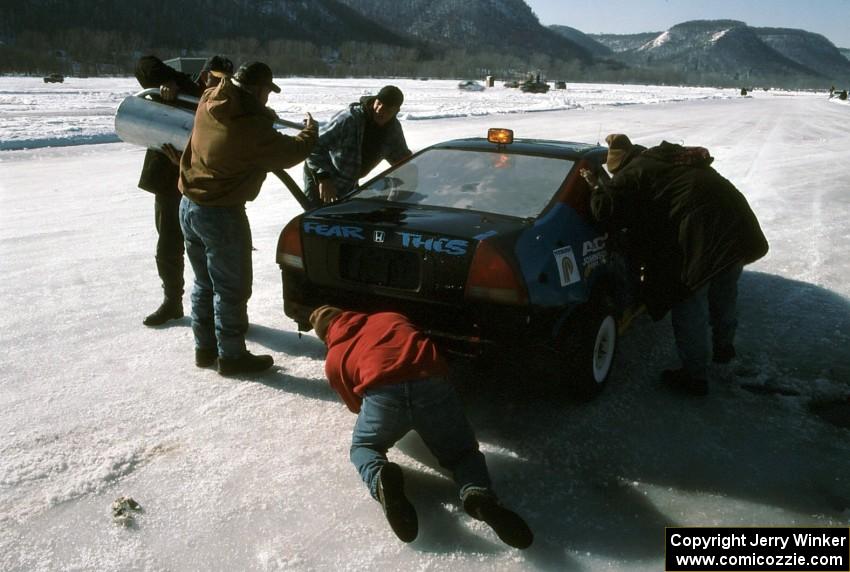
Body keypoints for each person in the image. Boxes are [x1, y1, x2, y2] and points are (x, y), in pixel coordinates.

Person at [309, 305, 533, 548]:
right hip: (431, 382)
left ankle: (380, 479)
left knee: (364, 445)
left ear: (325, 336)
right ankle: (480, 496)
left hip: (383, 396)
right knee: (461, 452)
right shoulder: (389, 317)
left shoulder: (334, 358)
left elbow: (356, 406)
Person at [581, 134, 768, 396]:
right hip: (737, 229)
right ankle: (724, 350)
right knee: (723, 290)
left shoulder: (635, 170)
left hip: (704, 235)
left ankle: (694, 377)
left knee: (687, 299)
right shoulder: (665, 162)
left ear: (620, 164)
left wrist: (599, 188)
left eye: (615, 173)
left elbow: (604, 210)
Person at [178, 62, 317, 375]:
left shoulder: (212, 97)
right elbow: (290, 151)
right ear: (256, 90)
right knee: (231, 288)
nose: (269, 98)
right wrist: (311, 131)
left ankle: (205, 349)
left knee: (204, 283)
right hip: (220, 215)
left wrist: (263, 116)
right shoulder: (249, 127)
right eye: (267, 92)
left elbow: (253, 125)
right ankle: (231, 356)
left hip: (189, 205)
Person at [134, 54, 234, 326]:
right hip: (169, 183)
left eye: (225, 80)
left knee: (211, 249)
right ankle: (172, 302)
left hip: (205, 185)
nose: (217, 84)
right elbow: (144, 63)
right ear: (203, 75)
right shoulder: (183, 88)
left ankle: (218, 307)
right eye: (213, 77)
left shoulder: (227, 103)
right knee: (168, 244)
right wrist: (165, 83)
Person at [303, 85, 411, 204]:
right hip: (319, 174)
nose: (380, 110)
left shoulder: (393, 130)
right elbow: (312, 146)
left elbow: (402, 160)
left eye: (387, 109)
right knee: (315, 216)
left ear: (396, 111)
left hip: (347, 182)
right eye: (379, 103)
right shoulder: (349, 119)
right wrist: (323, 178)